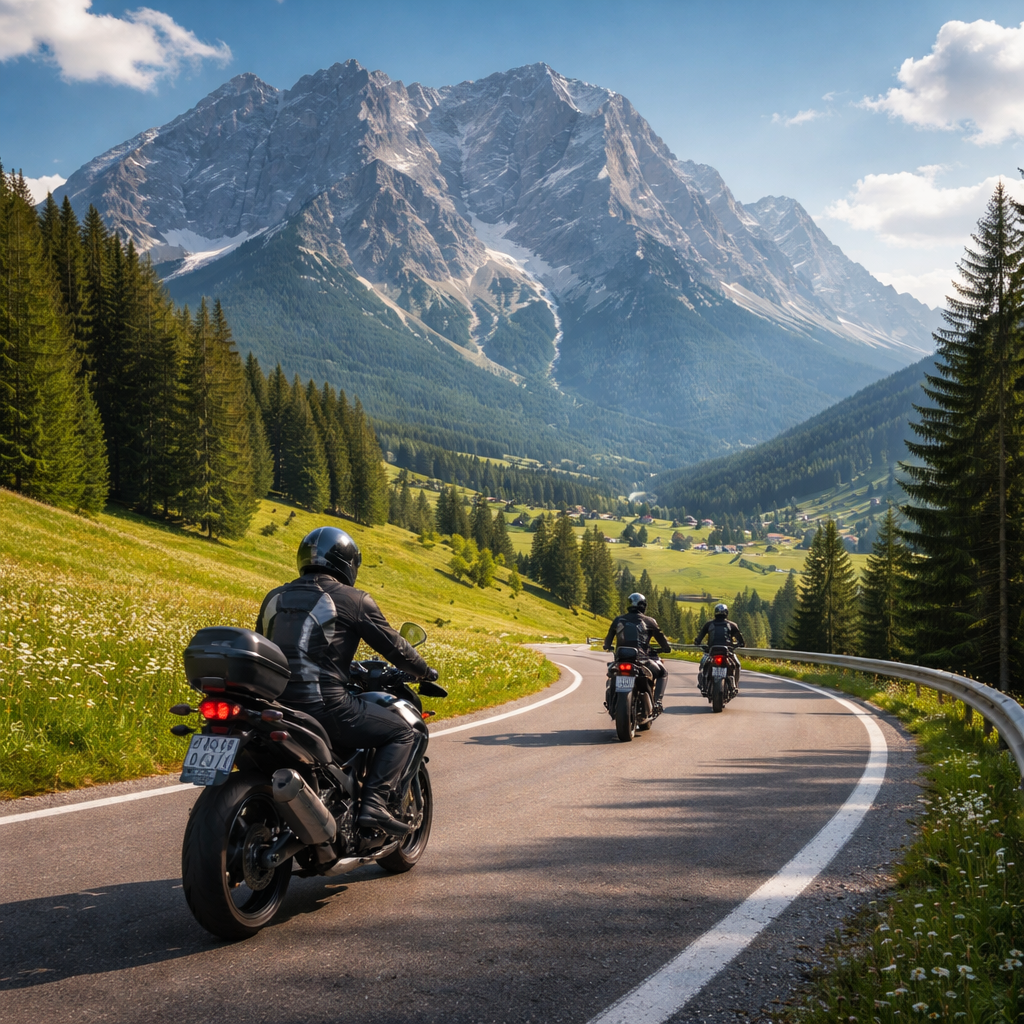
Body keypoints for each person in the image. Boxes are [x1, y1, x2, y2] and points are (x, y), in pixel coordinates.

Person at [255, 526, 437, 837]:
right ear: (348, 563)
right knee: (405, 732)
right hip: (324, 707)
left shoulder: (276, 597)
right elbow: (397, 648)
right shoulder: (353, 600)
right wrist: (424, 671)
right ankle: (375, 805)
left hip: (274, 706)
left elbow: (274, 647)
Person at [603, 592, 671, 713]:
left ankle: (610, 703)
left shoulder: (618, 620)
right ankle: (657, 702)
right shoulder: (650, 621)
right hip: (642, 660)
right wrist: (666, 648)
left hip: (620, 659)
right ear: (643, 606)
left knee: (611, 674)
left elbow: (608, 638)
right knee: (663, 673)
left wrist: (607, 646)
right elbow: (661, 638)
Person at [694, 603, 745, 693]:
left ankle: (702, 684)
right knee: (737, 665)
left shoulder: (708, 624)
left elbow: (698, 639)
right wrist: (737, 645)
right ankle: (735, 686)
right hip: (727, 652)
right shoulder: (732, 625)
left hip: (711, 651)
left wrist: (698, 643)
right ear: (726, 613)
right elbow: (741, 641)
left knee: (703, 664)